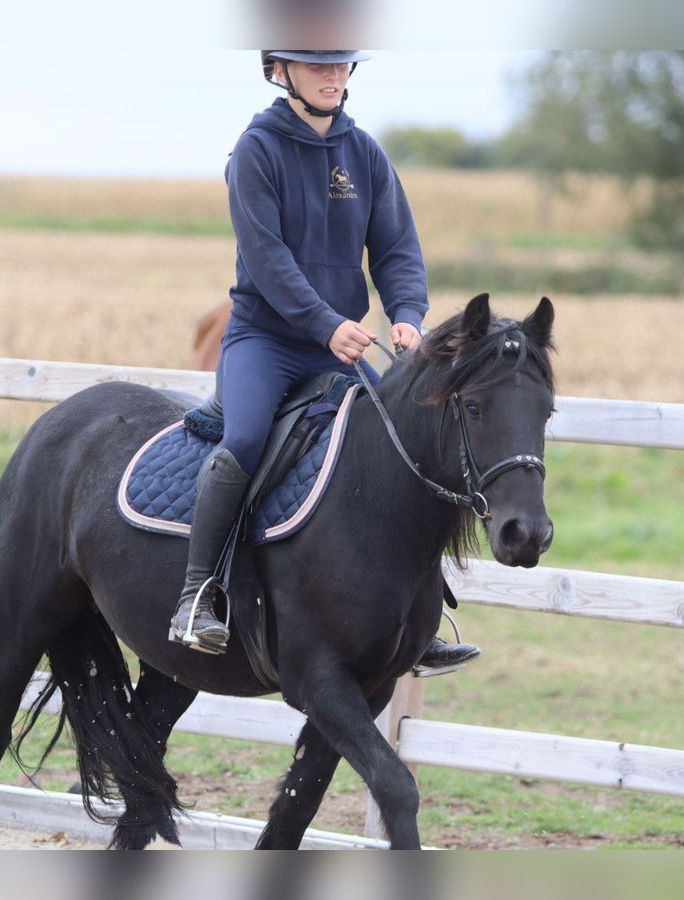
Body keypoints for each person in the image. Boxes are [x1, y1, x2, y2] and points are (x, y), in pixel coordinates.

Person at [169, 50, 480, 673]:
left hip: (341, 343)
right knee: (248, 437)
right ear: (280, 70)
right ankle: (196, 595)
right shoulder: (256, 151)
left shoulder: (364, 153)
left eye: (340, 66)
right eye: (318, 67)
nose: (333, 76)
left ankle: (421, 613)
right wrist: (325, 324)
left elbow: (396, 248)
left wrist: (408, 313)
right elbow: (266, 258)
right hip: (265, 342)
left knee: (404, 436)